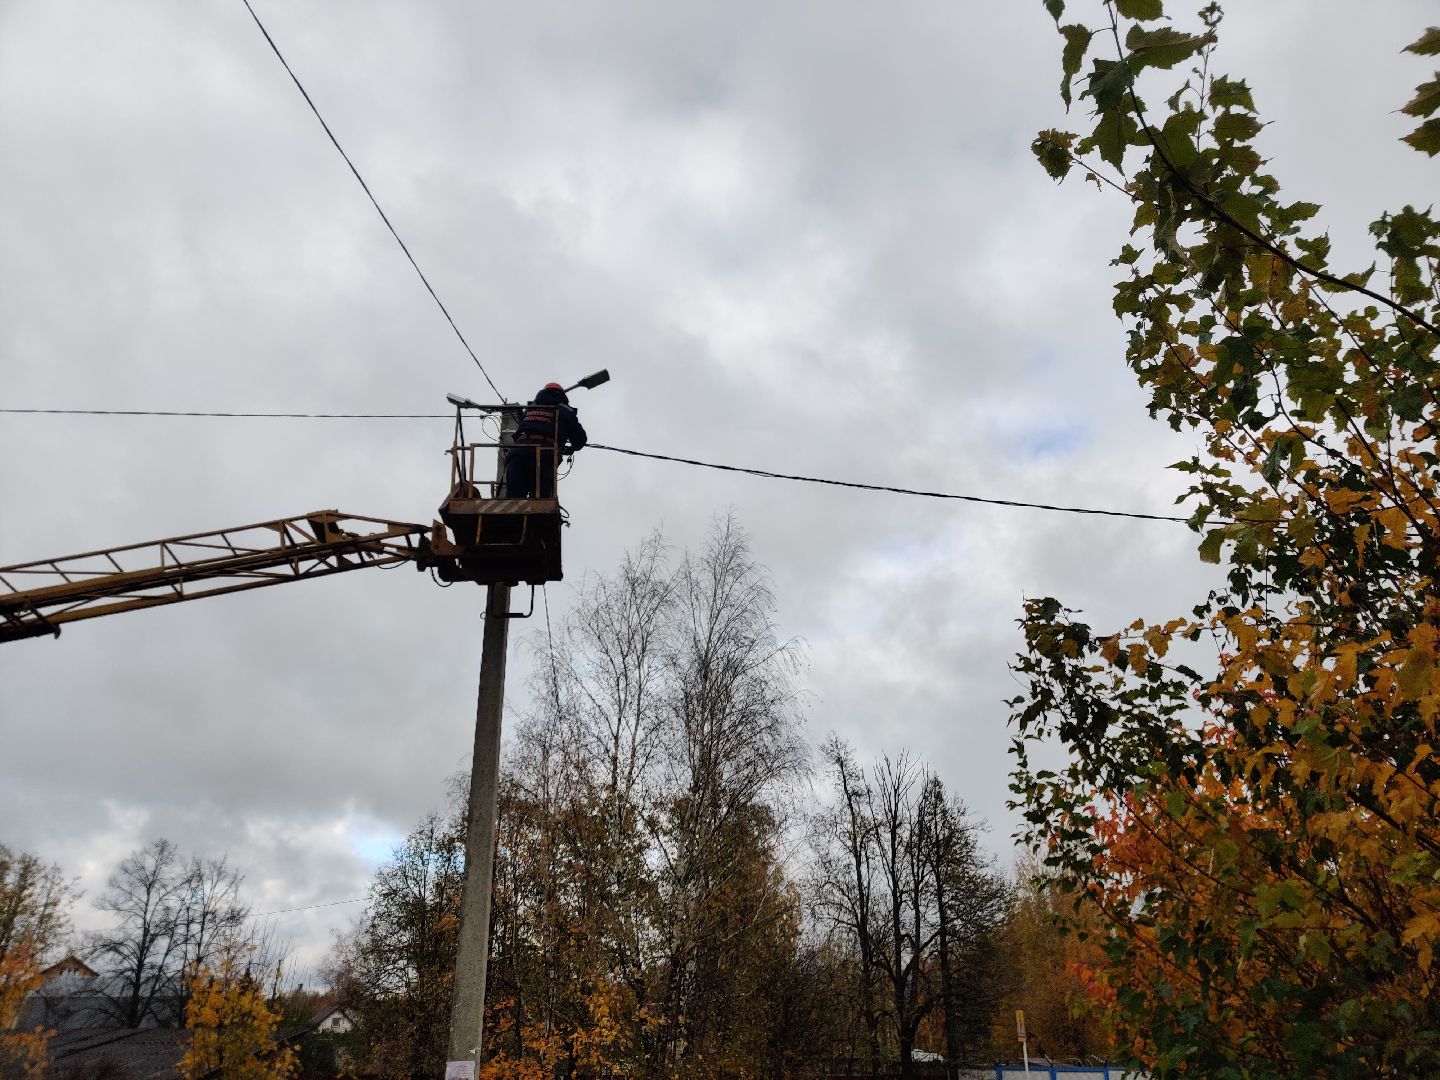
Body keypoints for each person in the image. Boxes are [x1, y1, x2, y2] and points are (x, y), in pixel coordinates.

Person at [503, 382, 587, 498]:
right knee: (540, 503)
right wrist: (570, 449)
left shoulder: (530, 408)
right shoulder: (564, 410)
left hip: (518, 455)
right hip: (543, 457)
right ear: (562, 395)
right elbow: (580, 439)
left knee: (513, 502)